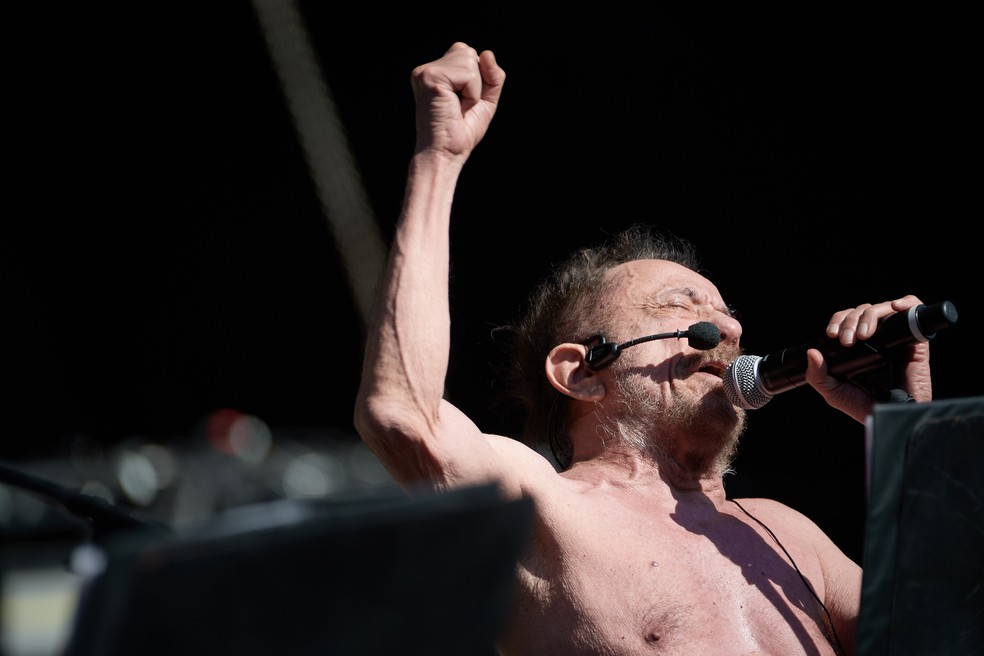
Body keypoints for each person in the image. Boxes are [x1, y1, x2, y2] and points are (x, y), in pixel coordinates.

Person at [353, 42, 933, 656]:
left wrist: (912, 434)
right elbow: (403, 414)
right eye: (682, 308)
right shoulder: (543, 508)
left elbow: (944, 635)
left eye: (729, 317)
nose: (731, 332)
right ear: (579, 373)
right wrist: (438, 159)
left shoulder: (786, 533)